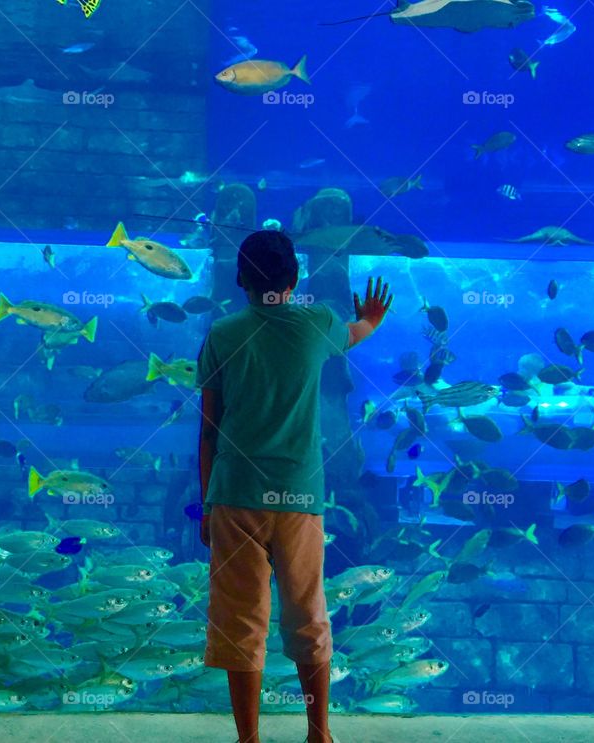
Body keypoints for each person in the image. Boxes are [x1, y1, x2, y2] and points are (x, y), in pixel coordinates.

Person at [195, 230, 393, 743]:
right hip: (300, 498)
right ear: (295, 278)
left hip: (235, 495)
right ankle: (319, 731)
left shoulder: (221, 333)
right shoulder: (315, 325)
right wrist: (372, 316)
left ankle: (249, 738)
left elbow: (209, 428)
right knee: (307, 613)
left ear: (239, 278)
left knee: (242, 617)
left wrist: (206, 502)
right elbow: (357, 331)